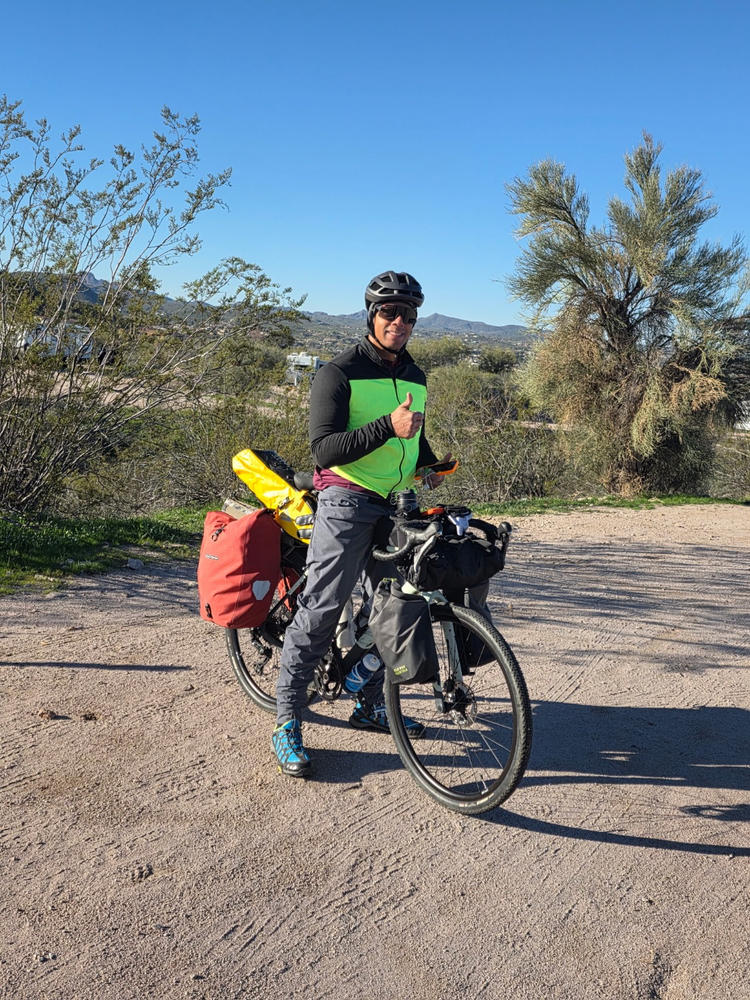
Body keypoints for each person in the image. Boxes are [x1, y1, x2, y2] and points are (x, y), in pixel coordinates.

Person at [272, 270, 451, 777]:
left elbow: (411, 435)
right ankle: (287, 719)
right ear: (371, 315)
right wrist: (386, 427)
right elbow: (324, 449)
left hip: (397, 502)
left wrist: (428, 464)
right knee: (325, 606)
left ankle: (367, 701)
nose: (400, 322)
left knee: (392, 608)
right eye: (390, 312)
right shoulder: (338, 372)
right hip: (346, 499)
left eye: (409, 315)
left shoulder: (414, 374)